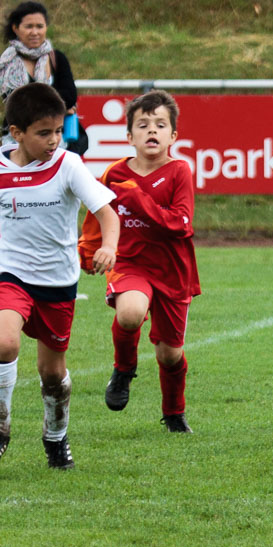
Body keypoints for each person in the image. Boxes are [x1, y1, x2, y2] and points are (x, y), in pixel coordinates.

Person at [0, 82, 119, 468]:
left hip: (56, 281)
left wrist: (109, 246)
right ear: (16, 133)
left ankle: (55, 436)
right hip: (9, 272)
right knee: (4, 344)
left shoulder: (68, 164)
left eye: (58, 130)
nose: (54, 140)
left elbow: (106, 213)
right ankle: (1, 427)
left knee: (52, 373)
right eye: (43, 133)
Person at [78, 90, 201, 433]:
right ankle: (123, 369)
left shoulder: (179, 171)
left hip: (173, 271)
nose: (152, 130)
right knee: (130, 313)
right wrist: (88, 250)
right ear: (129, 136)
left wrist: (137, 196)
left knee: (169, 355)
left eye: (160, 125)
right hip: (130, 262)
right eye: (143, 124)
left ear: (173, 136)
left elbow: (180, 224)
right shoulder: (114, 174)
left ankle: (174, 413)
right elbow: (98, 215)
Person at [0, 2, 77, 146]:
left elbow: (70, 96)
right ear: (15, 28)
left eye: (39, 26)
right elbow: (12, 103)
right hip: (15, 139)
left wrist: (30, 104)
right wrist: (55, 104)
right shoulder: (6, 63)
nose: (35, 32)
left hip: (55, 141)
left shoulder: (56, 58)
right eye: (29, 27)